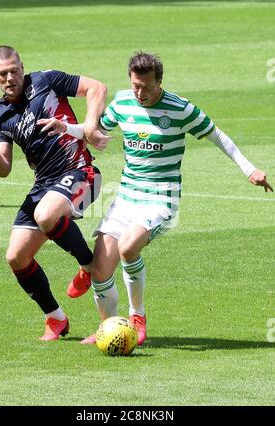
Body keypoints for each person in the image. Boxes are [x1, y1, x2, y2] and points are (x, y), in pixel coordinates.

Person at [44, 51, 273, 346]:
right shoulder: (124, 102)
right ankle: (109, 329)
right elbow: (96, 131)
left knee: (128, 247)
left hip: (160, 198)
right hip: (127, 194)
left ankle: (137, 316)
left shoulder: (180, 109)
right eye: (136, 85)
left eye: (147, 87)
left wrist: (249, 168)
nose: (140, 93)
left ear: (159, 81)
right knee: (101, 269)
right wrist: (68, 128)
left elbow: (218, 135)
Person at [0, 45, 110, 341]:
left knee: (45, 214)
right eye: (3, 74)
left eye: (15, 70)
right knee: (16, 256)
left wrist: (89, 125)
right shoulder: (1, 114)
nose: (10, 77)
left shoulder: (47, 81)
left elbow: (96, 87)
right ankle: (56, 318)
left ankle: (88, 266)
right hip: (44, 184)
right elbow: (5, 168)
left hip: (80, 173)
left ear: (22, 66)